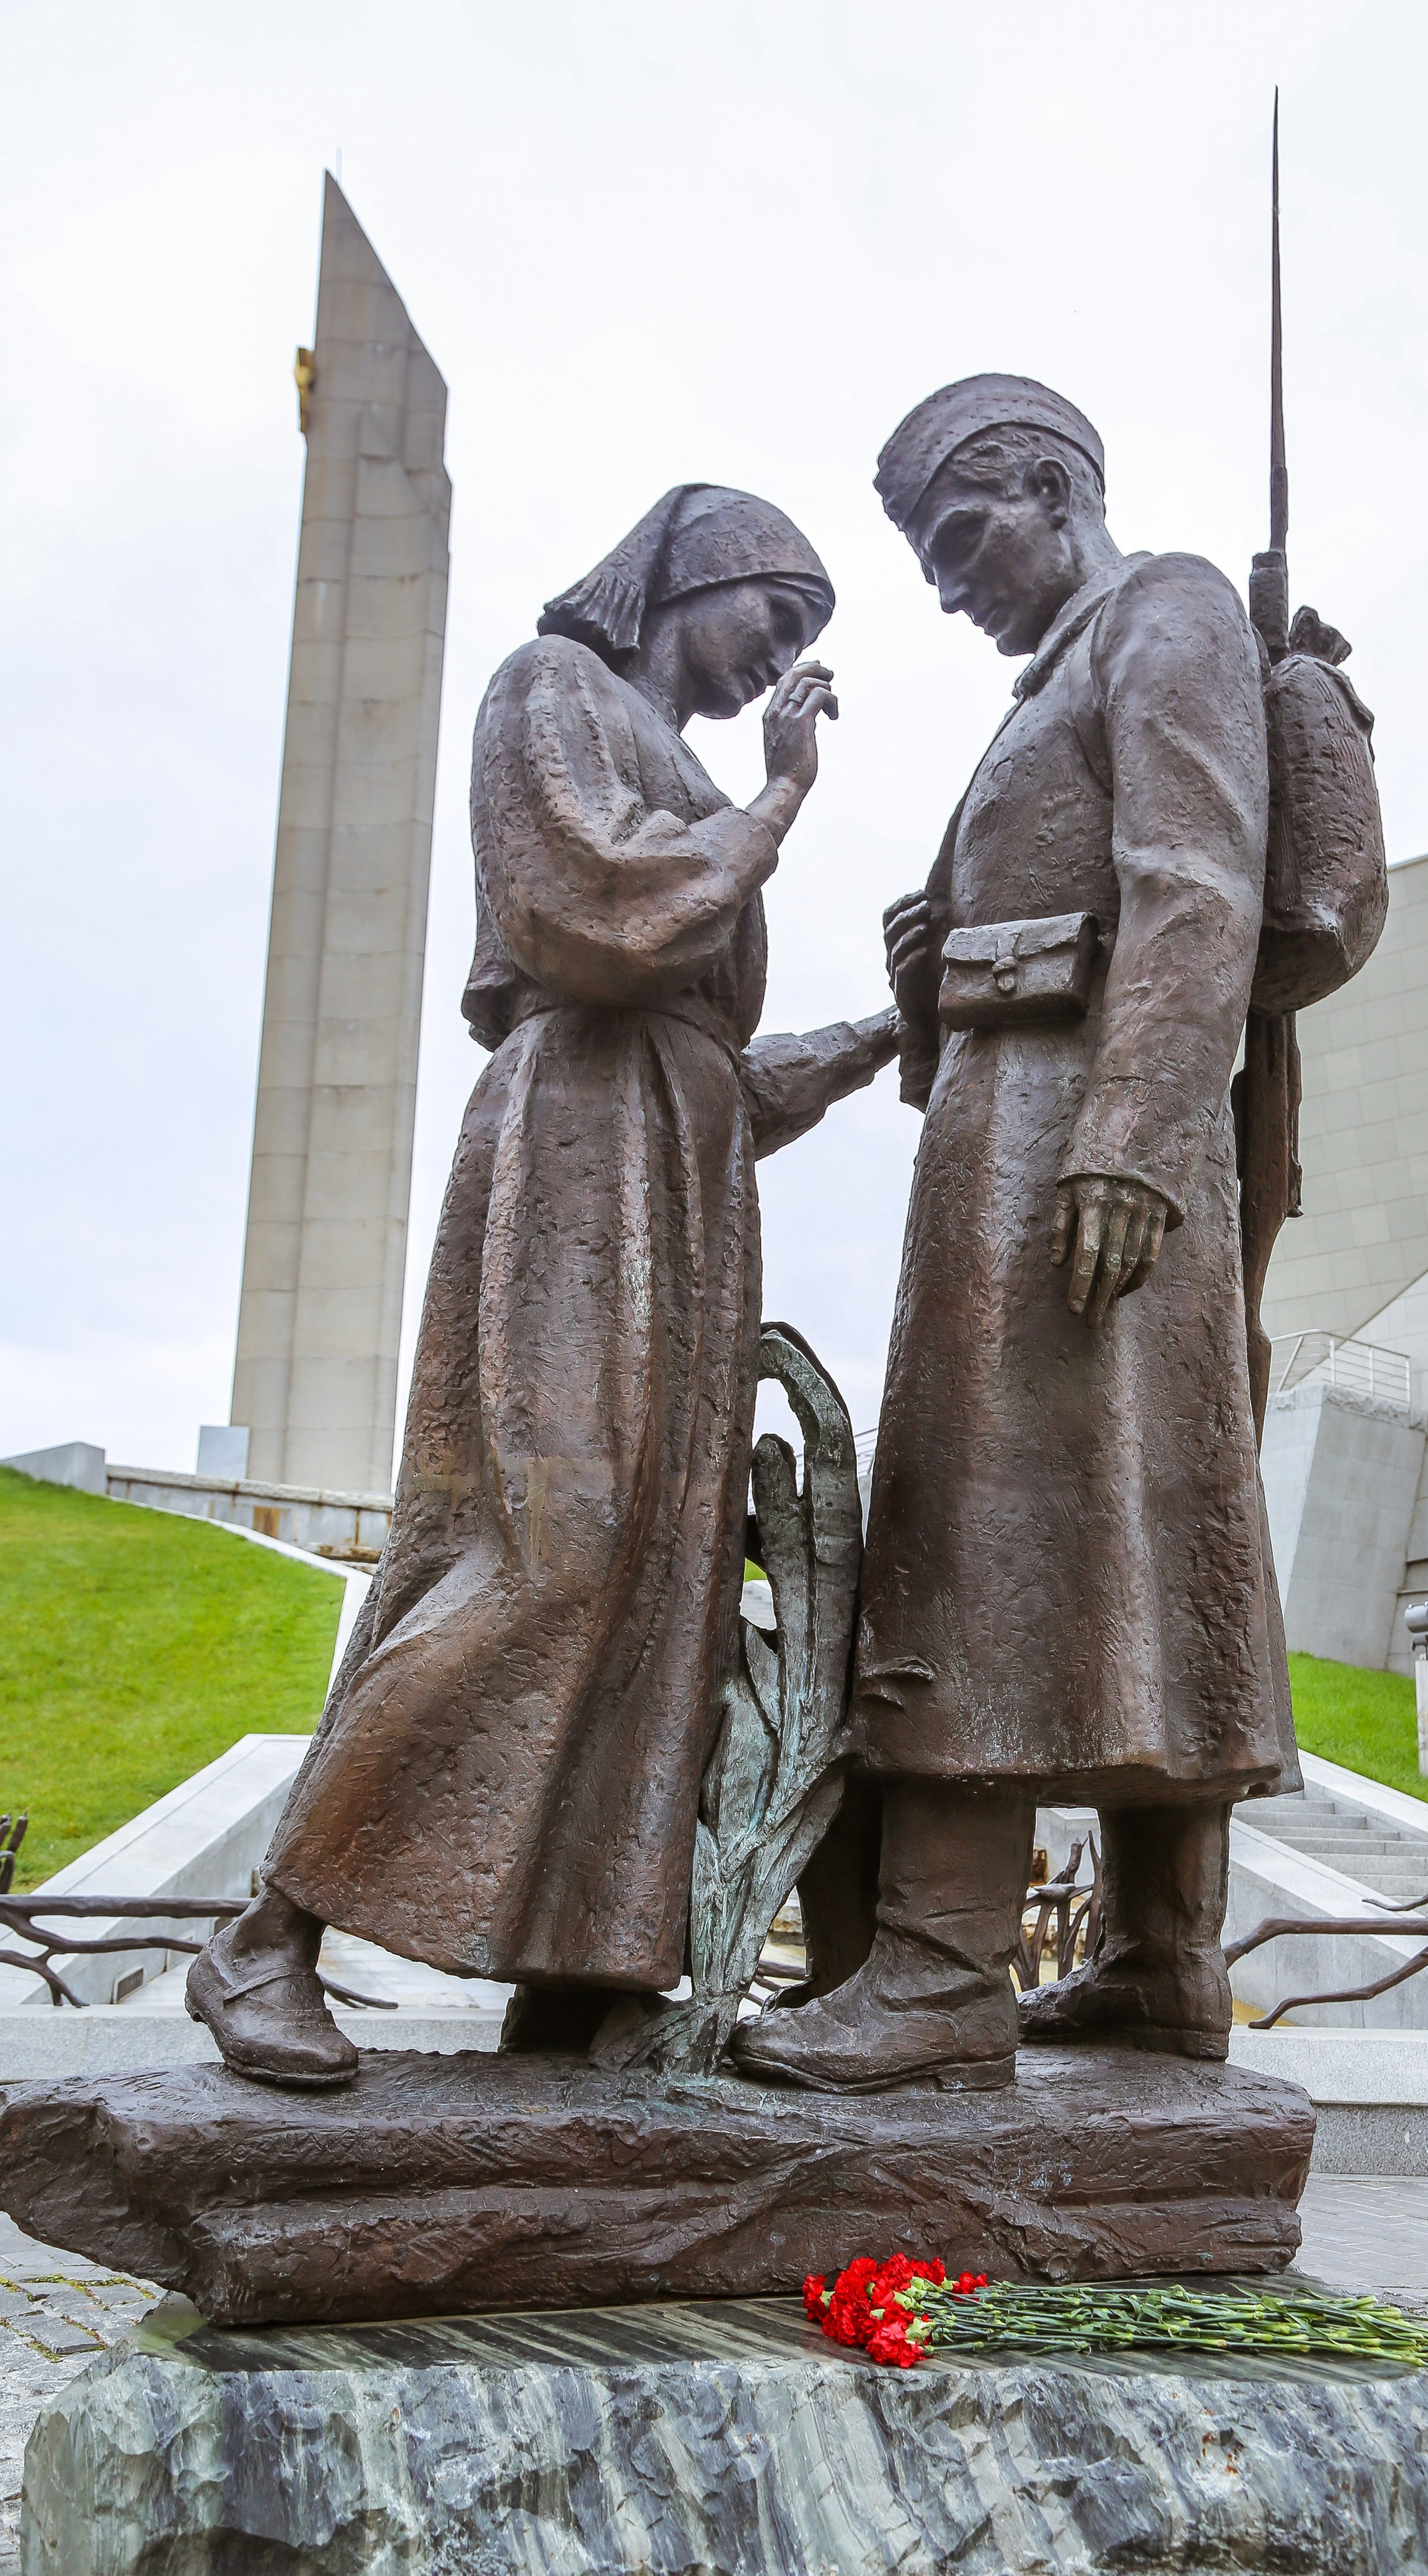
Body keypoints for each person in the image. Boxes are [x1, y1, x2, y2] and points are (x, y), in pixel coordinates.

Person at [189, 483, 899, 2087]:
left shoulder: (686, 788)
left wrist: (878, 1032)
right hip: (578, 1143)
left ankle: (582, 1967)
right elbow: (595, 923)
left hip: (680, 1169)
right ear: (686, 578)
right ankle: (267, 1933)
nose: (776, 657)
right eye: (771, 615)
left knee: (665, 1574)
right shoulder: (552, 690)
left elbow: (713, 1066)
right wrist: (781, 800)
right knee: (549, 1543)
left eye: (801, 636)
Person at [735, 378, 1298, 2097]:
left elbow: (1198, 881)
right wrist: (932, 980)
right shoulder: (1056, 676)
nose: (943, 581)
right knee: (1129, 1535)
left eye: (956, 534)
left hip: (1076, 1139)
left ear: (1050, 485)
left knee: (989, 1529)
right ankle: (1160, 1958)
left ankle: (937, 1967)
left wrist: (1130, 1135)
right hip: (1019, 1117)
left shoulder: (1164, 610)